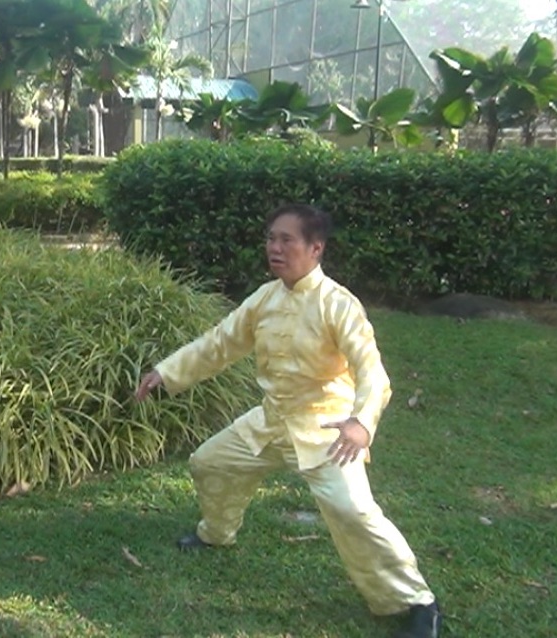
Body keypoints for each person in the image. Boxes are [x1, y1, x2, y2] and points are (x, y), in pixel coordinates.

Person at [135, 203, 442, 638]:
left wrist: (361, 422)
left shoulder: (338, 305)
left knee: (352, 510)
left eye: (286, 240)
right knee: (209, 463)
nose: (274, 248)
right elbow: (220, 343)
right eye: (270, 238)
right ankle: (216, 533)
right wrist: (167, 372)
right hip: (269, 421)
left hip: (327, 430)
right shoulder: (265, 298)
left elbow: (372, 372)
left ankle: (417, 601)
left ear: (316, 248)